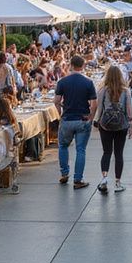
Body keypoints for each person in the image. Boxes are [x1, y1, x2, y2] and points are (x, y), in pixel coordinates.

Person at [54, 54, 97, 188]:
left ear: (71, 65)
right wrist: (91, 117)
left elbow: (56, 101)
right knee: (80, 150)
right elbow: (94, 103)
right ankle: (78, 179)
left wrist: (60, 112)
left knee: (63, 146)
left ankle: (64, 173)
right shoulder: (88, 82)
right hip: (82, 119)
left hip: (67, 119)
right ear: (83, 66)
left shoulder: (62, 82)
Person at [93, 64, 132, 193]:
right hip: (121, 125)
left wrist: (97, 121)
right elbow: (129, 110)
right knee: (119, 154)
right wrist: (131, 125)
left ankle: (104, 179)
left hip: (105, 125)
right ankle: (118, 182)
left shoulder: (102, 90)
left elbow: (100, 109)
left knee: (106, 152)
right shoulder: (126, 91)